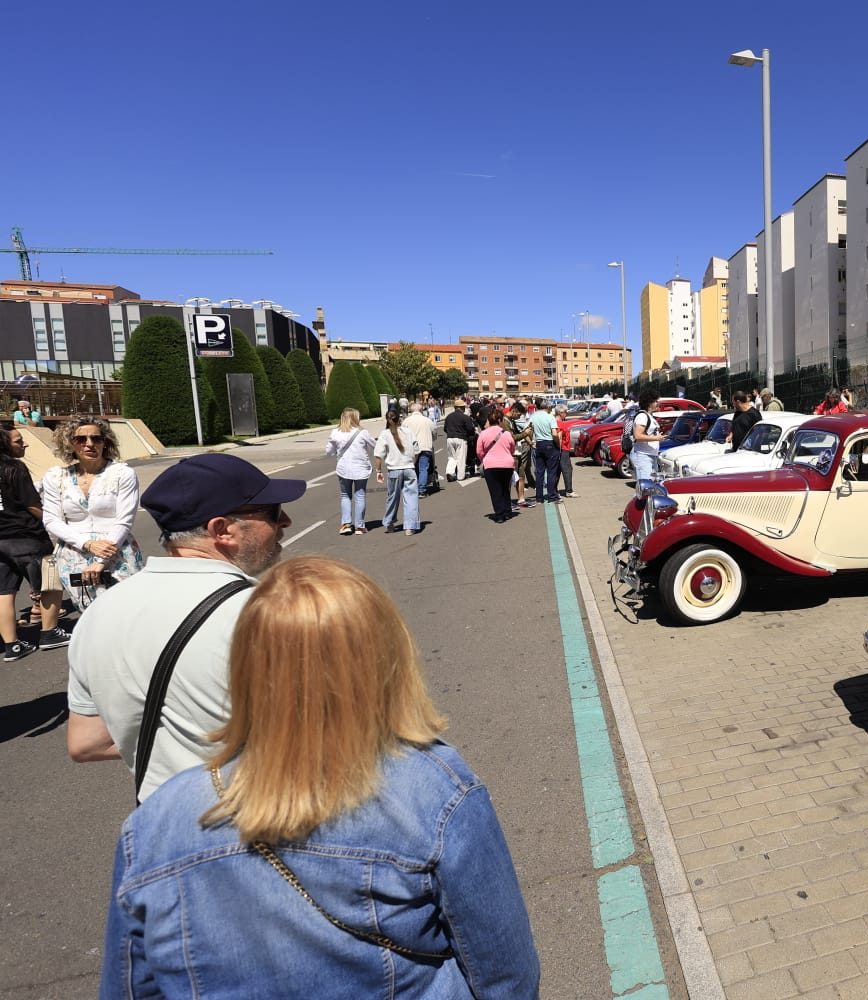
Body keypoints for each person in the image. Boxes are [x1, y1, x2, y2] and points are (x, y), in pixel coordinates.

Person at [101, 556, 541, 999]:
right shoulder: (434, 790)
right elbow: (504, 975)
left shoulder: (154, 823)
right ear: (386, 658)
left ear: (247, 665)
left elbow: (132, 988)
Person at [66, 453, 304, 800]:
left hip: (162, 829)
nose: (285, 520)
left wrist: (176, 749)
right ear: (221, 530)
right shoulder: (266, 611)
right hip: (259, 821)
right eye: (271, 511)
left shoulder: (98, 613)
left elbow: (86, 742)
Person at [41, 416, 145, 611]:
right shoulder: (56, 477)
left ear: (105, 442)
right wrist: (87, 544)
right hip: (74, 556)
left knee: (127, 612)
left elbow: (124, 520)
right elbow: (51, 520)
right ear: (69, 444)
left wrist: (100, 561)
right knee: (90, 616)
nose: (89, 444)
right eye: (81, 439)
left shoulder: (122, 474)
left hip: (117, 552)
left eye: (96, 439)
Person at [0, 425, 68, 659]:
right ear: (4, 444)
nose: (24, 444)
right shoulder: (14, 468)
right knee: (50, 583)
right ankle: (49, 633)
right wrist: (57, 523)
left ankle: (12, 646)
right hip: (26, 536)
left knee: (4, 592)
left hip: (1, 539)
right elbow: (32, 505)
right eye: (18, 441)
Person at [325, 408, 375, 536]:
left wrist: (337, 450)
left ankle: (346, 524)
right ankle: (360, 526)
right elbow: (375, 445)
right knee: (360, 495)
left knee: (345, 496)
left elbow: (329, 452)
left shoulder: (335, 432)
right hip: (360, 468)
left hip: (343, 468)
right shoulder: (362, 432)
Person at [374, 411, 420, 535]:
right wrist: (412, 462)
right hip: (409, 468)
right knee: (411, 498)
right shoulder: (408, 432)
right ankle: (410, 526)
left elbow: (378, 455)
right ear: (399, 419)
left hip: (394, 470)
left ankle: (389, 522)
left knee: (392, 498)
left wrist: (378, 470)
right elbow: (416, 451)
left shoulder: (384, 434)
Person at [476, 409, 517, 522]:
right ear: (500, 420)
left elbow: (479, 451)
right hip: (507, 464)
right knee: (505, 489)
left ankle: (500, 514)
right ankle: (508, 511)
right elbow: (512, 448)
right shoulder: (507, 433)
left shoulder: (483, 433)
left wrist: (484, 459)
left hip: (490, 464)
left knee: (495, 491)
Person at [629, 390, 666, 488]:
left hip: (649, 455)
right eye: (656, 401)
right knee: (645, 488)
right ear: (649, 403)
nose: (658, 403)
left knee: (651, 487)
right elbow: (638, 436)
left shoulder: (649, 416)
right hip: (643, 456)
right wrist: (656, 438)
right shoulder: (642, 416)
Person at [403, 401, 439, 496]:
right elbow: (434, 432)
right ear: (421, 410)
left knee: (412, 468)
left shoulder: (406, 421)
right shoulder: (427, 420)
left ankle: (412, 488)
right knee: (423, 468)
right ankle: (422, 490)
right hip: (425, 447)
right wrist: (432, 438)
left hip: (411, 448)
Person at [529, 402, 561, 504]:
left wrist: (530, 442)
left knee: (539, 472)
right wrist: (557, 443)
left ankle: (539, 497)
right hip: (550, 443)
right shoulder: (550, 417)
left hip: (539, 443)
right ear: (548, 408)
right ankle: (552, 497)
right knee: (551, 472)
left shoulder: (533, 417)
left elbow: (528, 431)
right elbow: (554, 434)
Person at [506, 404, 536, 509]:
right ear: (514, 410)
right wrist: (525, 434)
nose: (520, 416)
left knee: (521, 475)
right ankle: (507, 502)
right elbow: (511, 438)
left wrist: (528, 437)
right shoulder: (505, 421)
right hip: (512, 453)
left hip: (517, 452)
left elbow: (519, 434)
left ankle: (521, 499)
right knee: (510, 477)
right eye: (519, 414)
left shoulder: (511, 421)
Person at [443, 398, 477, 483]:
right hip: (461, 438)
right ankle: (461, 476)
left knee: (452, 457)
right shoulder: (465, 417)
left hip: (450, 438)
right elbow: (470, 429)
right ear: (462, 408)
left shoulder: (448, 417)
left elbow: (445, 429)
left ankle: (450, 472)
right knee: (461, 457)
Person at [552, 403, 577, 498]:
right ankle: (569, 491)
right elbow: (559, 437)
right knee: (567, 470)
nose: (566, 414)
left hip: (560, 449)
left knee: (558, 470)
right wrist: (559, 449)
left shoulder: (555, 422)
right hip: (562, 449)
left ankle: (554, 490)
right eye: (565, 412)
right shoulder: (560, 423)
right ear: (560, 413)